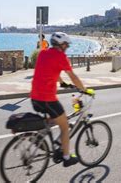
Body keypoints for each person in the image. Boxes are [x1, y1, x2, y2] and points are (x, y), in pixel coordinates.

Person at [30, 32, 90, 167]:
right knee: (64, 126)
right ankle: (67, 157)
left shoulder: (43, 53)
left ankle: (40, 137)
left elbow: (51, 71)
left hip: (34, 96)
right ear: (61, 45)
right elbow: (73, 77)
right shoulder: (61, 57)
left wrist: (62, 83)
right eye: (66, 45)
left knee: (55, 118)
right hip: (47, 98)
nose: (67, 47)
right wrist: (84, 90)